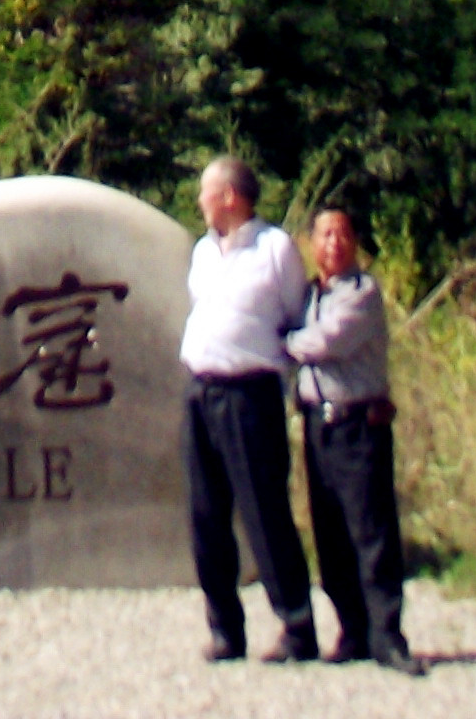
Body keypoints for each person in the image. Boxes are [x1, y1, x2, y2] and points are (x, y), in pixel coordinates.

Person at [177, 153, 316, 665]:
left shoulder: (274, 248)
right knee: (206, 514)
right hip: (200, 389)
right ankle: (225, 628)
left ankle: (297, 625)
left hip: (249, 392)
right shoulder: (202, 253)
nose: (199, 201)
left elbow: (291, 311)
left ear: (229, 196)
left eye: (205, 191)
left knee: (263, 510)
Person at [291, 202, 419, 676]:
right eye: (325, 235)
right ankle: (351, 630)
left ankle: (388, 636)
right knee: (330, 533)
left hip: (357, 423)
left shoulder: (362, 293)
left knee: (372, 530)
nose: (334, 243)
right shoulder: (306, 295)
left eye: (343, 234)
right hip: (317, 424)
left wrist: (285, 340)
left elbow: (326, 342)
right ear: (311, 244)